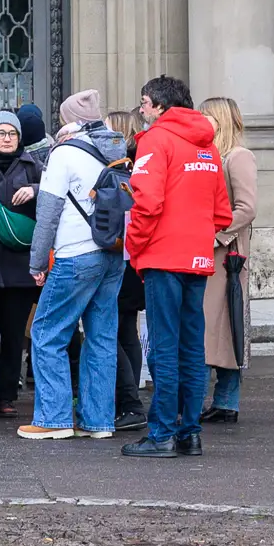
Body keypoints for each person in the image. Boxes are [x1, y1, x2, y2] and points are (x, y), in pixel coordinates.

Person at [122, 75, 232, 458]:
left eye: (144, 103)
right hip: (197, 257)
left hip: (163, 255)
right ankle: (189, 432)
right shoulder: (208, 147)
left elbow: (146, 203)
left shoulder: (155, 140)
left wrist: (135, 244)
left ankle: (162, 433)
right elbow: (222, 212)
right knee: (191, 347)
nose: (141, 110)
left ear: (158, 106)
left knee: (164, 347)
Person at [20, 89, 128, 439]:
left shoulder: (65, 153)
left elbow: (48, 213)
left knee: (47, 333)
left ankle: (53, 419)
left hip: (75, 255)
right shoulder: (116, 148)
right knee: (102, 337)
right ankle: (98, 422)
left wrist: (37, 262)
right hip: (112, 252)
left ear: (69, 121)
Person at [0, 109, 43, 422]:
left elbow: (61, 194)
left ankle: (7, 396)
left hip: (19, 264)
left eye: (12, 134)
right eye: (0, 133)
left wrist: (36, 190)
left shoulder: (34, 166)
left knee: (14, 337)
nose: (7, 139)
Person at [202, 96, 259, 424]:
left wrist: (218, 236)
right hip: (215, 254)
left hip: (228, 256)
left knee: (227, 328)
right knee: (218, 330)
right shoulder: (214, 156)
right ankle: (224, 401)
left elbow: (247, 208)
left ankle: (226, 400)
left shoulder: (237, 157)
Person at [105, 103, 147, 430]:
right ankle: (131, 393)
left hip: (121, 256)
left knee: (116, 329)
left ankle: (128, 397)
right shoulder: (137, 165)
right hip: (134, 259)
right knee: (127, 329)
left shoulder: (121, 168)